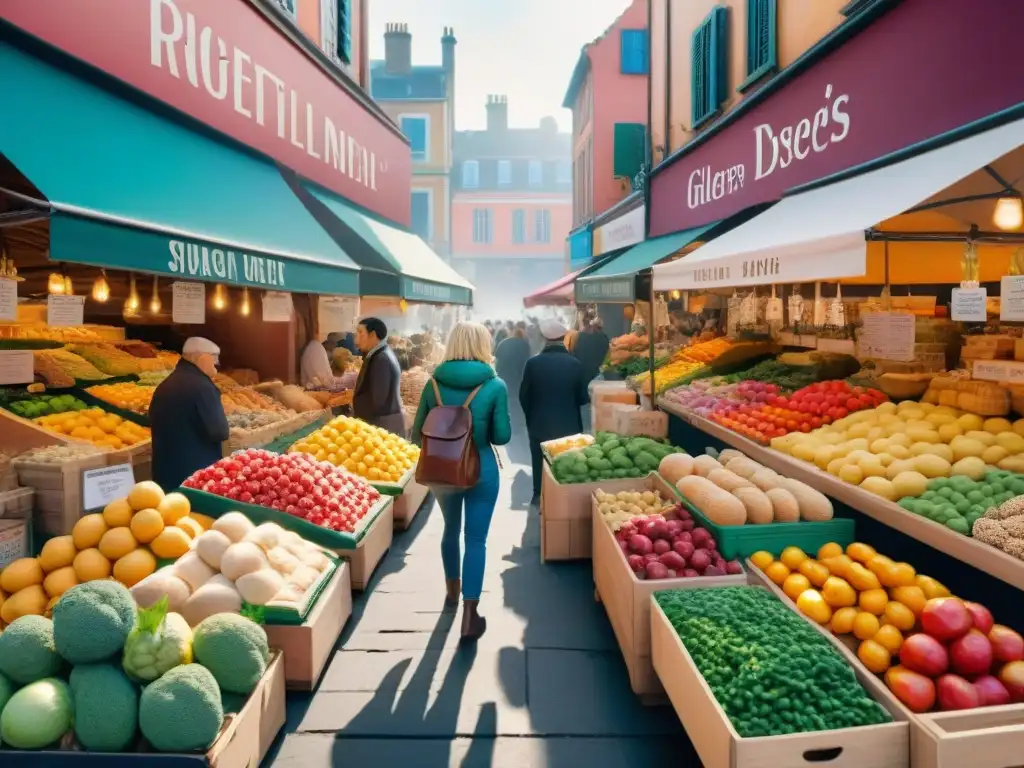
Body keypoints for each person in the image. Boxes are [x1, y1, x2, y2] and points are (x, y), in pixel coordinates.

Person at [411, 322, 511, 642]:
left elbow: (416, 435)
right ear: (484, 344)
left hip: (442, 471)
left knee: (450, 530)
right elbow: (503, 436)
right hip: (481, 471)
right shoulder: (495, 385)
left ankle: (451, 592)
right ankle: (470, 613)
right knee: (477, 540)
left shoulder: (433, 384)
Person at [519, 319, 590, 504]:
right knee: (568, 461)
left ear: (544, 338)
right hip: (569, 424)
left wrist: (531, 416)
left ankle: (538, 494)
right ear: (564, 337)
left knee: (538, 458)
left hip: (539, 423)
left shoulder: (532, 363)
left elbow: (523, 396)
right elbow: (583, 398)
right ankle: (564, 496)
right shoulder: (575, 364)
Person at [150, 337, 230, 491]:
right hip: (194, 477)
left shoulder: (165, 385)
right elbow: (220, 431)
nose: (217, 364)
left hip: (163, 474)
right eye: (214, 357)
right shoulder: (203, 387)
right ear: (201, 357)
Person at [353, 317, 406, 436]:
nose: (357, 339)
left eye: (361, 332)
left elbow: (378, 399)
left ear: (372, 335)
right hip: (381, 423)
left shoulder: (382, 359)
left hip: (384, 425)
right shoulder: (379, 354)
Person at [494, 324, 530, 421]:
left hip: (503, 376)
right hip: (518, 378)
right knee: (516, 402)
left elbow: (496, 359)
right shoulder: (525, 345)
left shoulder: (503, 343)